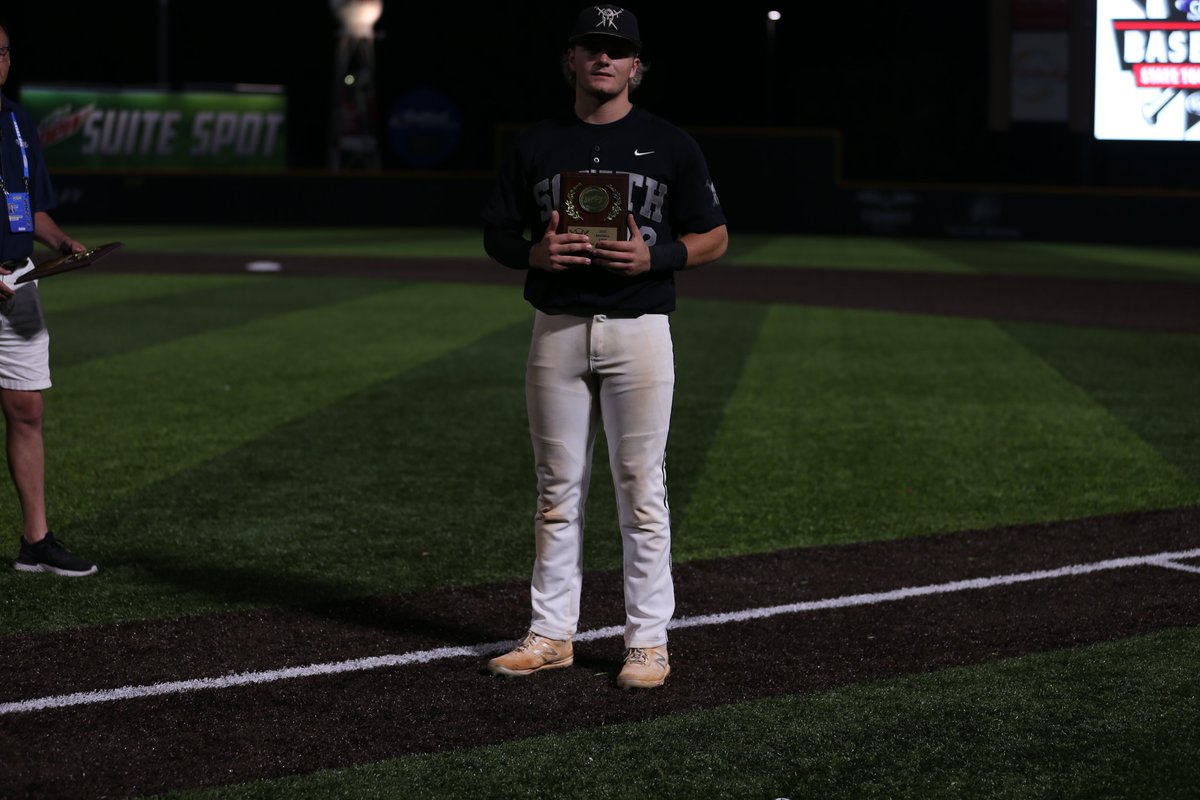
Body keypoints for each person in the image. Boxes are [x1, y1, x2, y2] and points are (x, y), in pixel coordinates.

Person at [481, 4, 727, 689]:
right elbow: (496, 233)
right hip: (556, 327)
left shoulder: (671, 144)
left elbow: (715, 235)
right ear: (570, 59)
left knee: (641, 490)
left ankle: (648, 642)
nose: (604, 58)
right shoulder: (535, 144)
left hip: (639, 328)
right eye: (592, 46)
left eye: (617, 50)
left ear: (636, 66)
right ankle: (551, 634)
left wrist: (658, 257)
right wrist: (535, 249)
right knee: (556, 491)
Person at [0, 22, 97, 577]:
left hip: (20, 282)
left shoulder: (17, 120)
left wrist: (60, 241)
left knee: (27, 407)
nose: (0, 60)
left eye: (5, 51)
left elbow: (32, 205)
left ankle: (35, 542)